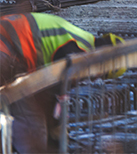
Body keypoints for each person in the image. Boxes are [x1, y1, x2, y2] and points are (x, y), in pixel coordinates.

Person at [0, 13, 124, 153]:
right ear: (103, 59)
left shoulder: (80, 40)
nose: (95, 79)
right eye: (102, 73)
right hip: (8, 52)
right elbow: (49, 90)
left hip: (10, 51)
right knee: (34, 132)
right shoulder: (80, 52)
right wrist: (56, 127)